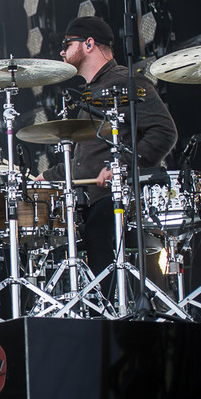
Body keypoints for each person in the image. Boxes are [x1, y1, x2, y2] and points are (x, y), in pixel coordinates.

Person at [36, 16, 177, 287]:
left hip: (119, 199)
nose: (62, 52)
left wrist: (122, 166)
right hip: (89, 199)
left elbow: (164, 131)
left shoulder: (127, 83)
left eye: (67, 44)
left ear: (89, 44)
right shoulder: (87, 96)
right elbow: (86, 158)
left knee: (98, 231)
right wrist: (49, 176)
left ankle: (115, 316)